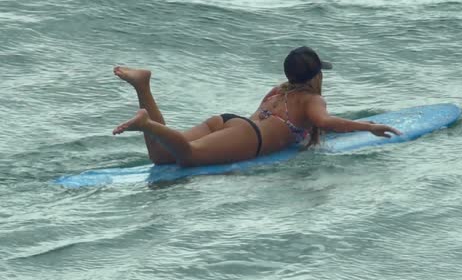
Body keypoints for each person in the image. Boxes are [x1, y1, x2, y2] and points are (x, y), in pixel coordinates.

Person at [112, 46, 402, 167]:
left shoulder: (279, 90)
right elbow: (325, 122)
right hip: (249, 137)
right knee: (188, 157)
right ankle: (146, 123)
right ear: (316, 76)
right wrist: (369, 127)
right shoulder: (312, 100)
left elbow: (319, 125)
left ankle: (143, 86)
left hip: (227, 122)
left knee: (161, 157)